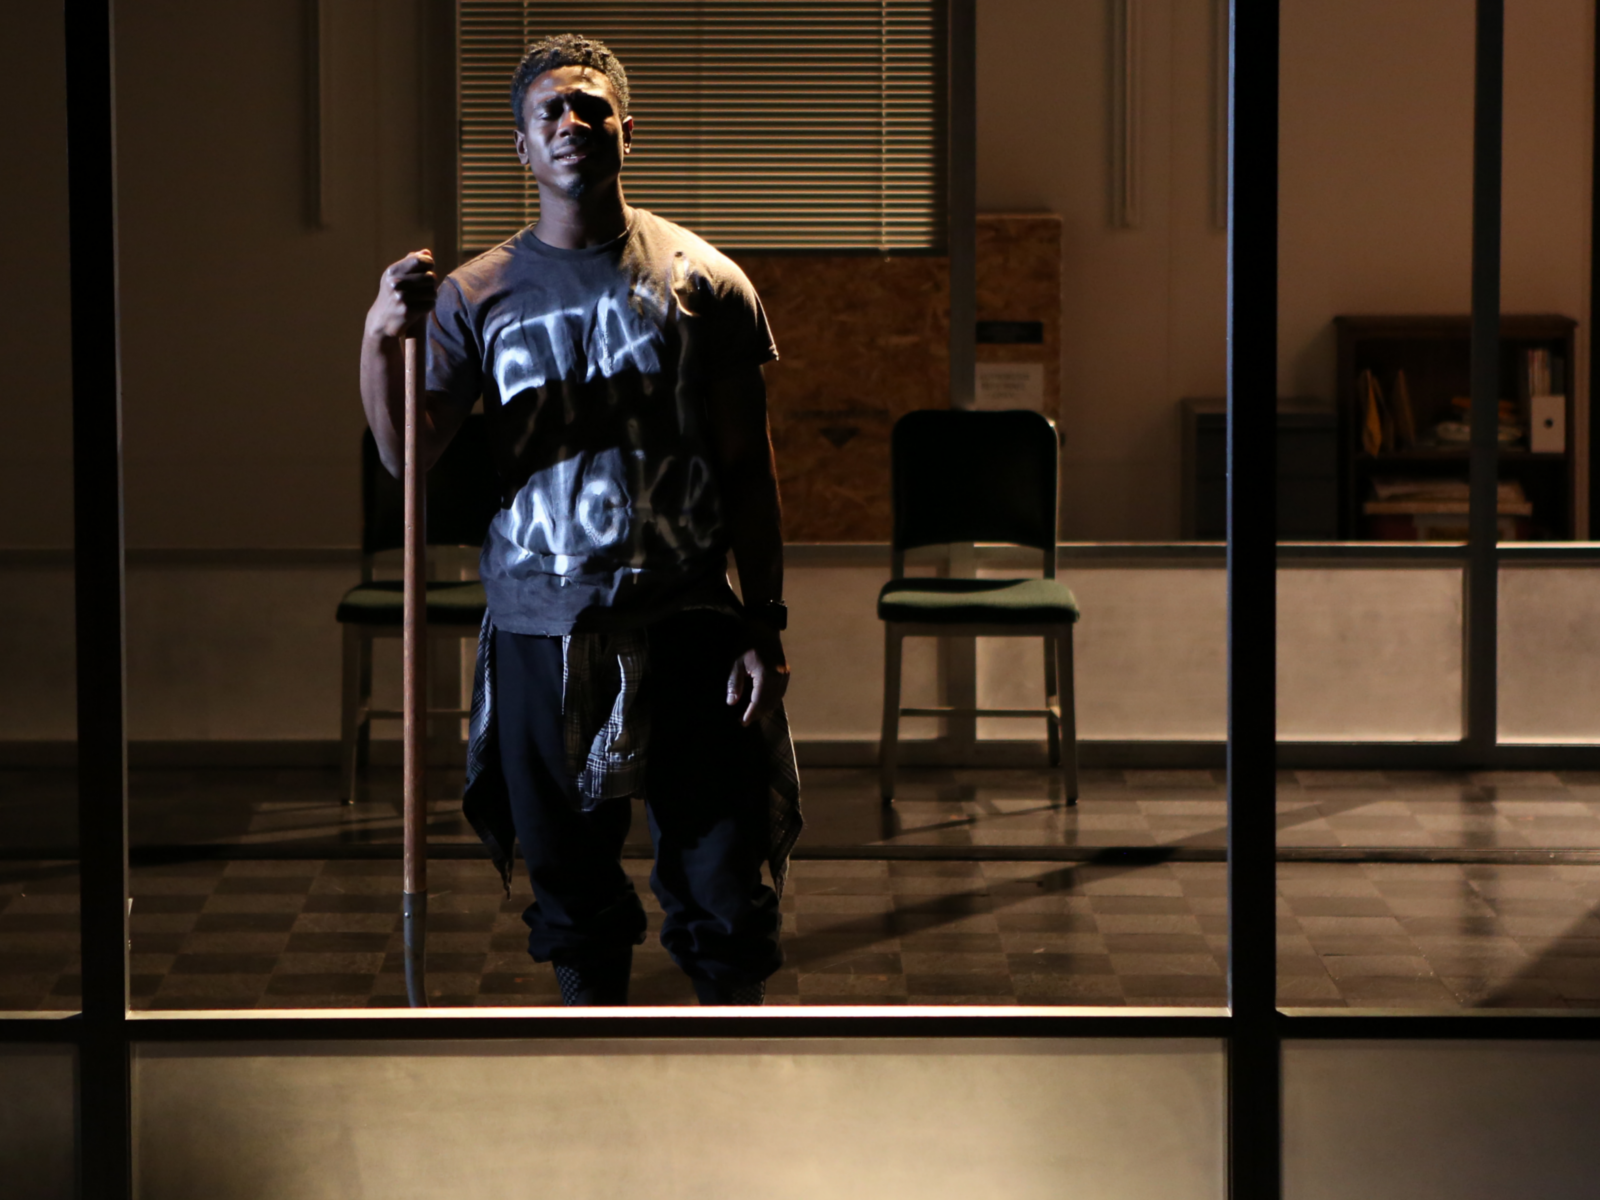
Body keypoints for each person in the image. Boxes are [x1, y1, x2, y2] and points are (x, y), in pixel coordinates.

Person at [358, 33, 801, 1007]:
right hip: (539, 624)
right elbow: (407, 459)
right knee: (571, 893)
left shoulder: (704, 281)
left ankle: (735, 1068)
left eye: (591, 107)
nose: (572, 122)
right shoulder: (475, 295)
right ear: (521, 146)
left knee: (725, 888)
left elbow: (747, 468)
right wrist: (378, 336)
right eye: (550, 111)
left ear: (626, 132)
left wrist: (763, 621)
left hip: (686, 618)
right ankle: (590, 1063)